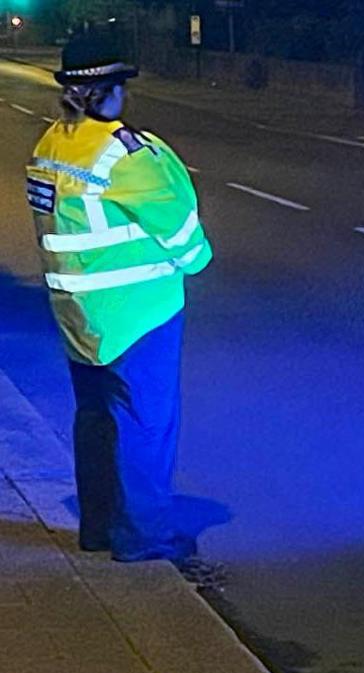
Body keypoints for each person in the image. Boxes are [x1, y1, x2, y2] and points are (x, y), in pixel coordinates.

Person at [27, 32, 210, 562]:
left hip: (78, 318)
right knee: (146, 427)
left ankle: (98, 529)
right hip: (140, 315)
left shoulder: (48, 148)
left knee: (94, 421)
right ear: (107, 93)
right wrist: (193, 260)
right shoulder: (129, 156)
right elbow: (185, 241)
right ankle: (144, 537)